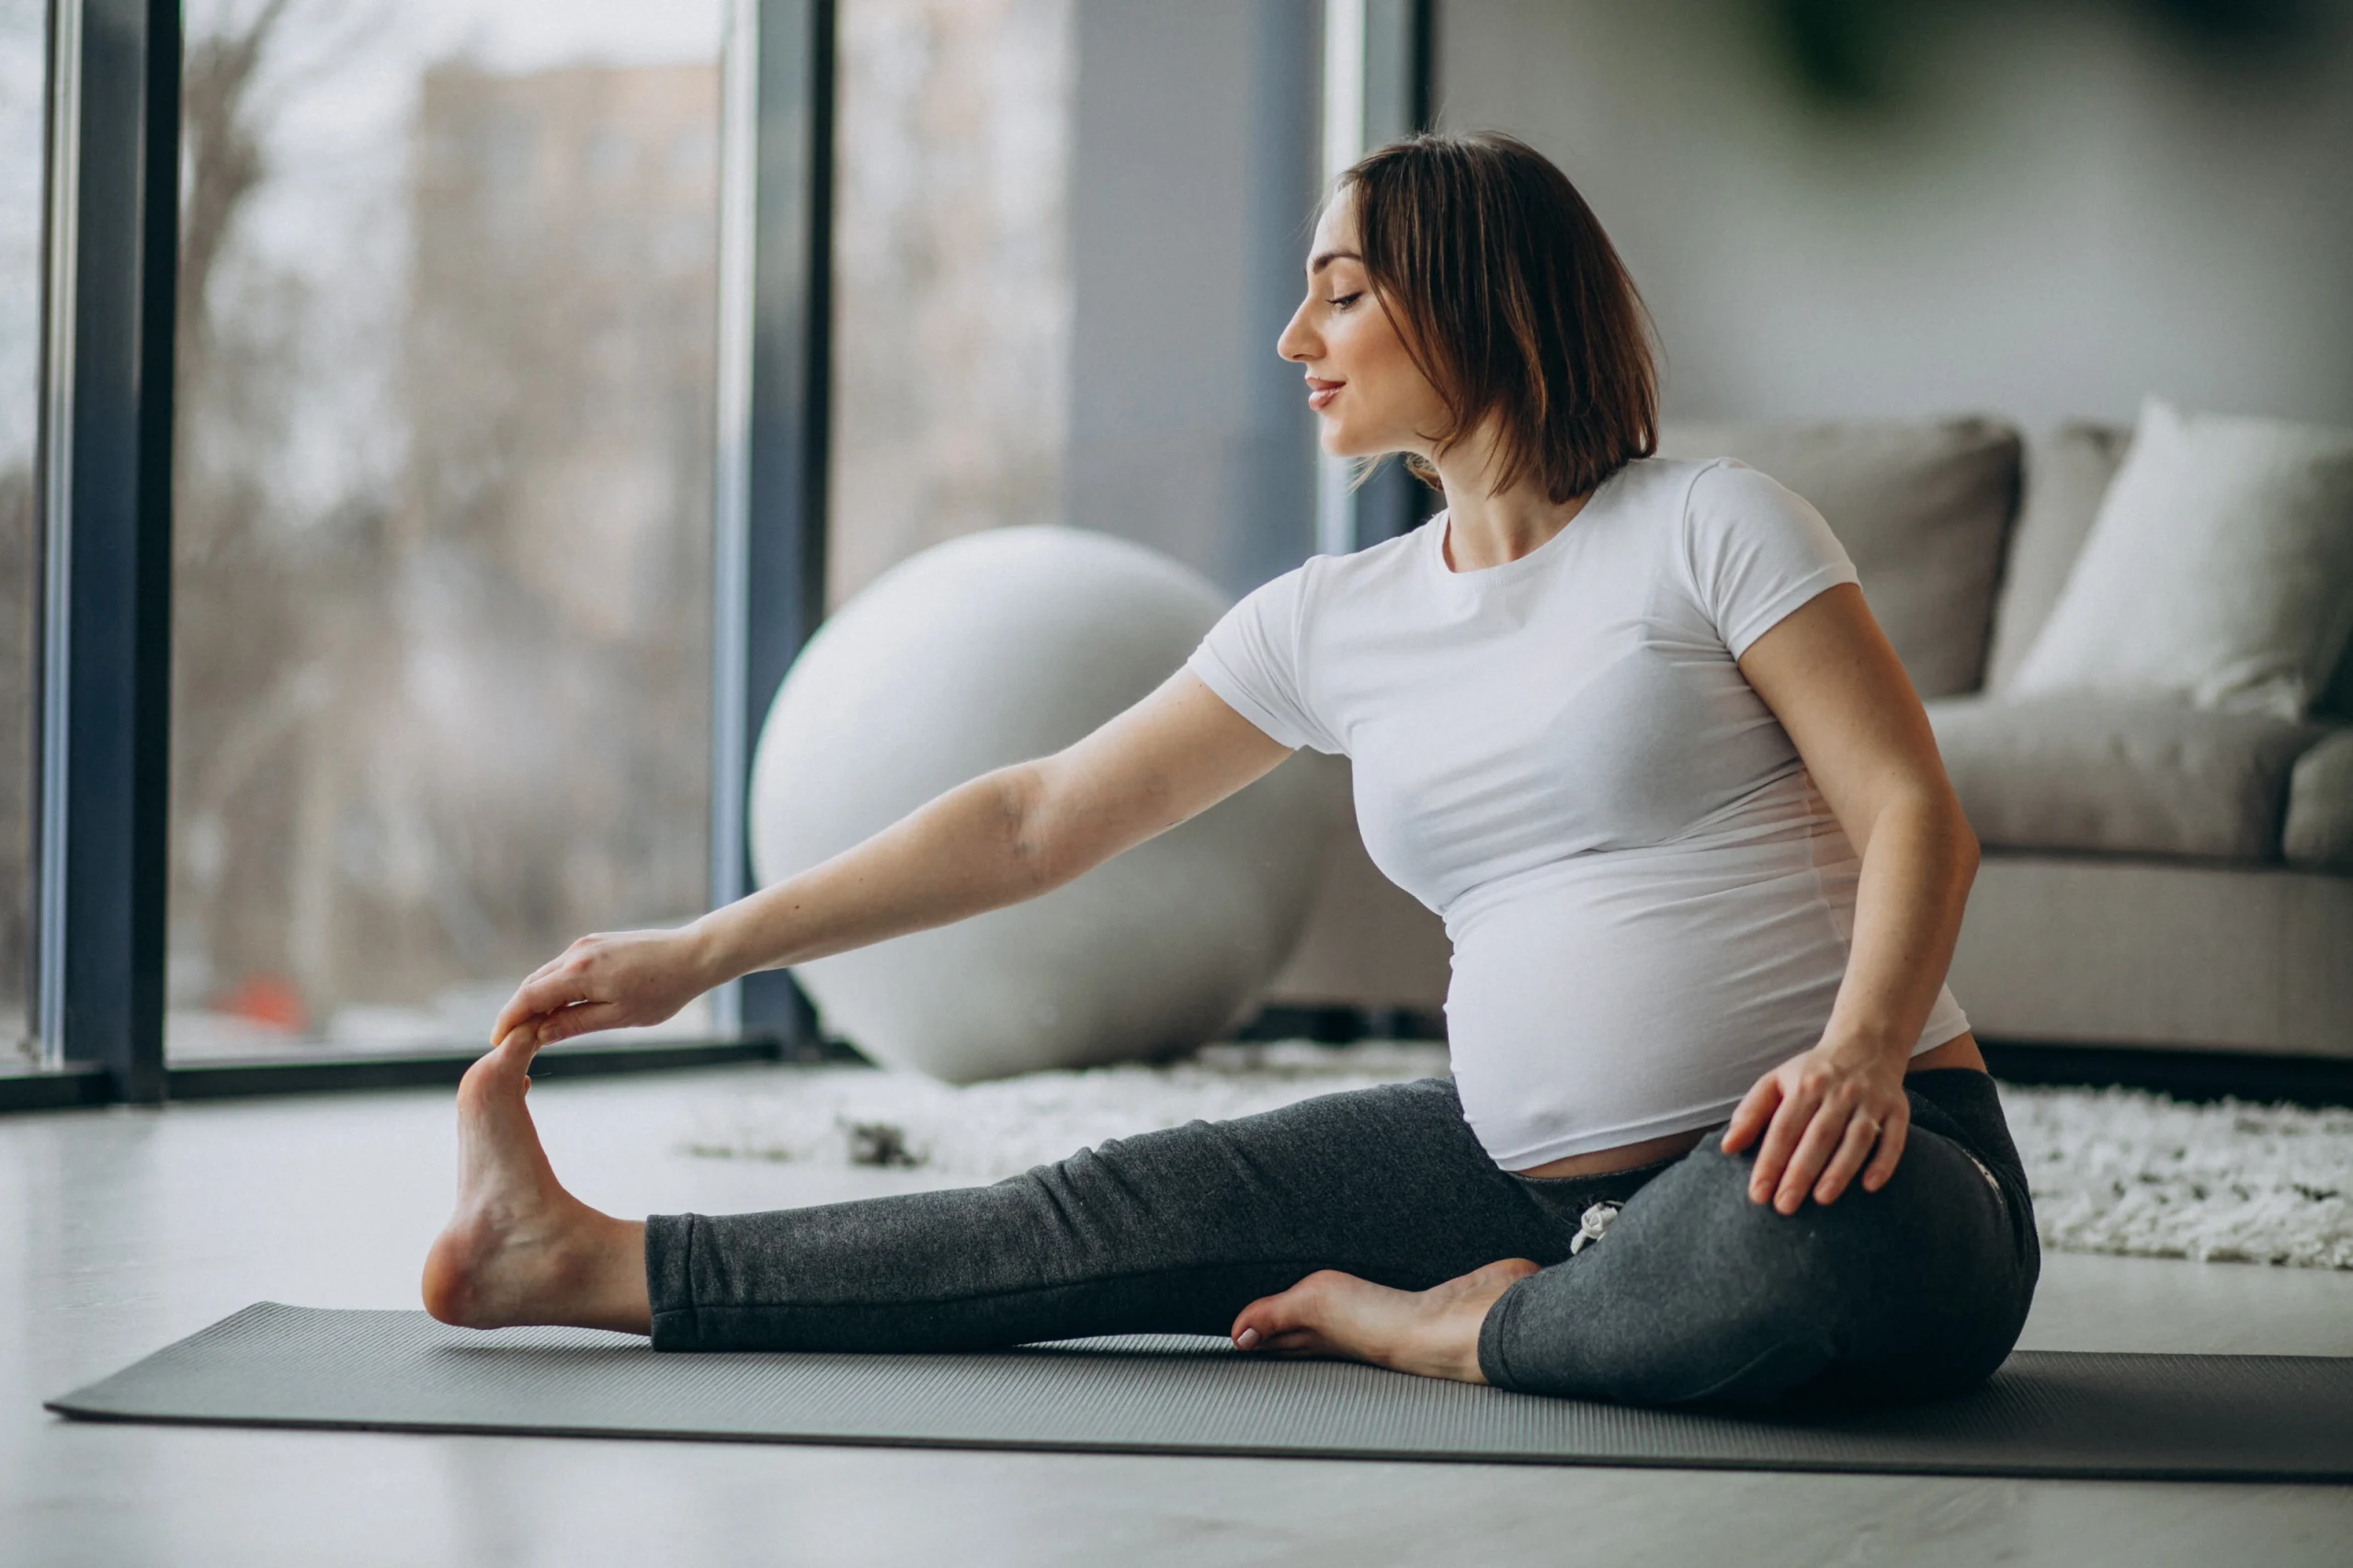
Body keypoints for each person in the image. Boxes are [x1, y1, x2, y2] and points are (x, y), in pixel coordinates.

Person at [423, 131, 2037, 1409]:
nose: (1294, 338)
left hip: (1854, 1161)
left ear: (1471, 293)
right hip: (1511, 1173)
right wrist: (699, 953)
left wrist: (1860, 1056)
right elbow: (1036, 820)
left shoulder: (1712, 525)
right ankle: (582, 1259)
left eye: (1340, 292)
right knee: (1100, 1210)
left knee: (1814, 1247)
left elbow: (1915, 815)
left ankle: (1459, 1338)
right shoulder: (1338, 620)